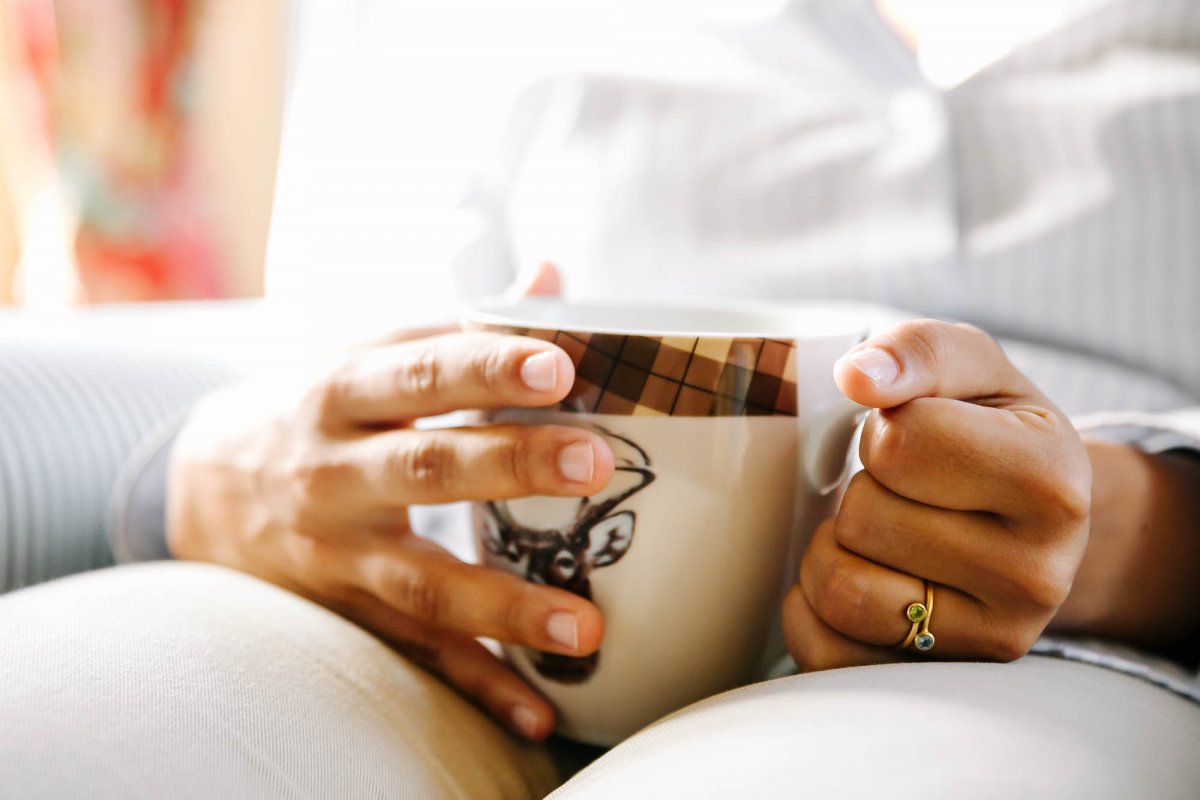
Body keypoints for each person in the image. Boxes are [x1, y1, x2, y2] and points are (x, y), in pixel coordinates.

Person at [2, 0, 1198, 796]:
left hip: (1050, 646)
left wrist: (1133, 533)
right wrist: (199, 477)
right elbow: (331, 346)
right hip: (466, 627)